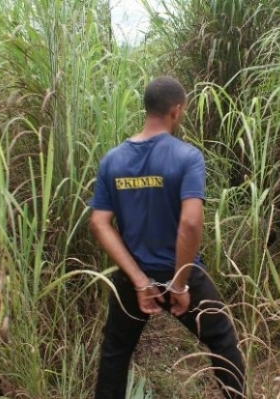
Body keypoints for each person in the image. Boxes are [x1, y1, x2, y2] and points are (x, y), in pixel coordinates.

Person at [90, 76, 245, 399]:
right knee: (222, 340)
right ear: (176, 111)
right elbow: (189, 224)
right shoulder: (187, 157)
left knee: (115, 353)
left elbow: (100, 222)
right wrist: (178, 284)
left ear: (146, 109)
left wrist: (139, 280)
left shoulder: (112, 160)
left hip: (133, 277)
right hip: (182, 273)